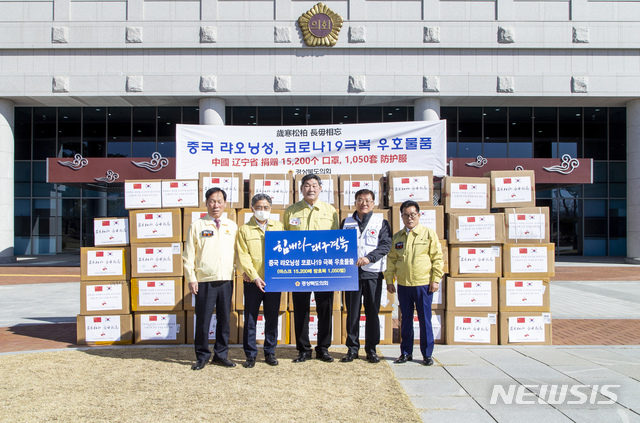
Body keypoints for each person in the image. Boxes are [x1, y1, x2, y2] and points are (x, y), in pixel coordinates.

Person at [283, 174, 340, 363]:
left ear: (321, 188)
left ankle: (323, 348)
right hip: (299, 269)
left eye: (314, 185)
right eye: (307, 185)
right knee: (301, 309)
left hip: (324, 269)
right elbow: (285, 240)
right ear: (301, 189)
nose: (311, 189)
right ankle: (303, 349)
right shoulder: (291, 211)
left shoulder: (330, 211)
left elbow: (336, 241)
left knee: (325, 308)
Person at [183, 187, 238, 370]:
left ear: (225, 204)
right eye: (212, 201)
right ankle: (202, 355)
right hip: (204, 280)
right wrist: (191, 278)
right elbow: (188, 255)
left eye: (219, 201)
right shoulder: (197, 225)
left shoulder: (232, 226)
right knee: (203, 320)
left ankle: (221, 355)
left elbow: (238, 253)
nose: (216, 205)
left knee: (224, 319)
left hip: (226, 279)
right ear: (206, 203)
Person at [385, 200, 444, 366]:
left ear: (418, 215)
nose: (409, 218)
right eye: (405, 215)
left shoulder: (428, 234)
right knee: (406, 321)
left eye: (412, 214)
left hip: (423, 284)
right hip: (404, 285)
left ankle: (427, 354)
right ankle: (405, 353)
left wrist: (435, 279)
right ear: (401, 217)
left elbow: (437, 258)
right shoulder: (397, 237)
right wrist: (390, 280)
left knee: (425, 320)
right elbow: (391, 260)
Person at [340, 189, 391, 364]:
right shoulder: (346, 222)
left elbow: (385, 245)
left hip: (372, 274)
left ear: (374, 203)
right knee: (352, 313)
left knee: (372, 313)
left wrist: (369, 258)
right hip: (351, 275)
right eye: (360, 200)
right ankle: (352, 349)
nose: (364, 203)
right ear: (355, 202)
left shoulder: (381, 223)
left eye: (368, 200)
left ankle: (371, 349)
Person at [236, 194, 284, 368]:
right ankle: (250, 354)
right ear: (252, 209)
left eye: (265, 207)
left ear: (270, 209)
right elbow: (243, 256)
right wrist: (254, 276)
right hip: (252, 281)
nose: (262, 210)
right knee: (250, 318)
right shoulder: (244, 230)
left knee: (272, 318)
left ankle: (270, 352)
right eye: (259, 207)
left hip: (273, 281)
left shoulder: (279, 227)